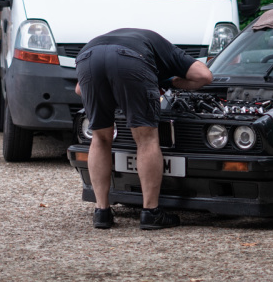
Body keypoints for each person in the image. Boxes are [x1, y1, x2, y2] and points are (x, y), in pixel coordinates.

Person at [74, 28, 213, 230]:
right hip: (131, 60)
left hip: (88, 56)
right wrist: (171, 82)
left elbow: (79, 89)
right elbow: (204, 75)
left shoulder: (134, 38)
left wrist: (116, 93)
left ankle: (101, 212)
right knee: (146, 139)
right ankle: (151, 212)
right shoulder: (168, 50)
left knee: (100, 138)